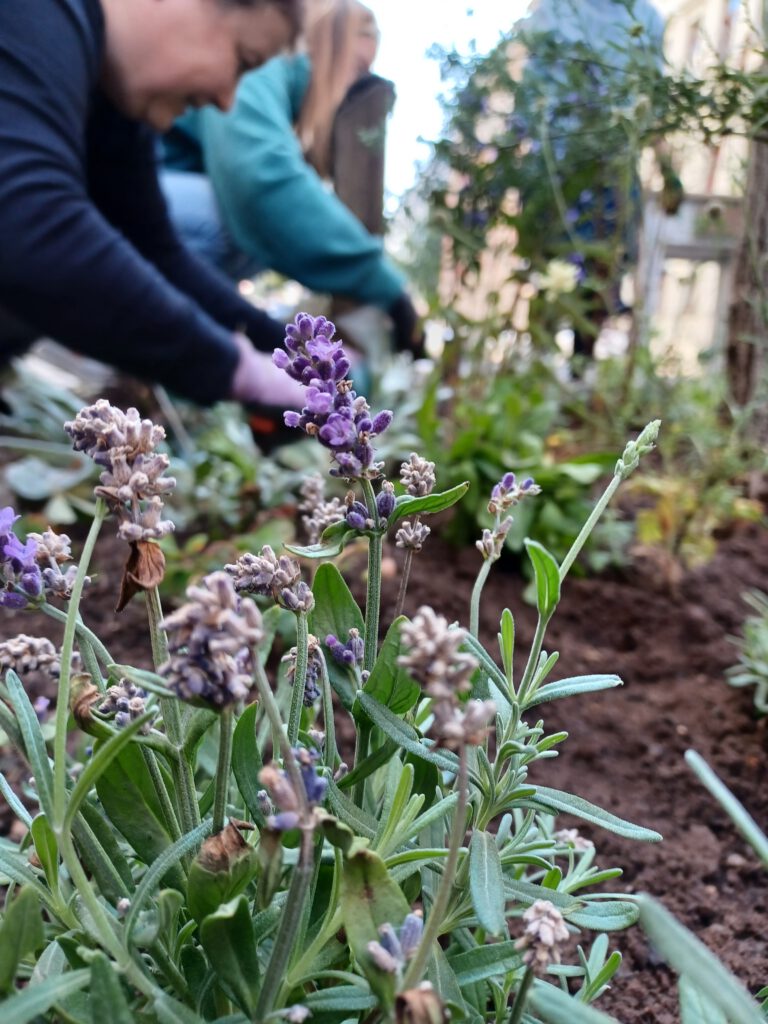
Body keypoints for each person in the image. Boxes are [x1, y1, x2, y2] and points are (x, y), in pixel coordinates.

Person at [0, 0, 306, 410]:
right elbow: (25, 222)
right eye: (242, 60)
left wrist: (294, 349)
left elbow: (158, 253)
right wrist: (234, 369)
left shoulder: (115, 106)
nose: (227, 101)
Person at [162, 0, 422, 354]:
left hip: (144, 204)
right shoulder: (266, 61)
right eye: (358, 68)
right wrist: (385, 285)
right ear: (329, 46)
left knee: (254, 235)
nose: (355, 90)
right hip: (111, 212)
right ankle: (152, 341)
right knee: (241, 218)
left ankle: (168, 353)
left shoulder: (278, 90)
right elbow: (258, 178)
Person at [512, 0, 666, 359]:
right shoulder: (554, 8)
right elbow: (529, 89)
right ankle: (539, 369)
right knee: (548, 272)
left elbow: (653, 98)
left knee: (603, 275)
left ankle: (584, 371)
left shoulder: (646, 18)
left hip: (615, 169)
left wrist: (668, 170)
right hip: (553, 168)